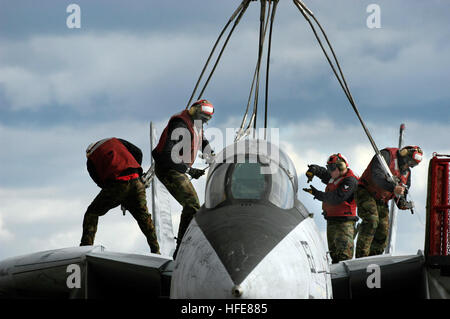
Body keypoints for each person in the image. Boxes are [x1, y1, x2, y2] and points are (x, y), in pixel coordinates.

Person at [152, 99, 215, 258]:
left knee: (192, 205)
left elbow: (202, 139)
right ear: (193, 110)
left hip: (178, 168)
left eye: (205, 120)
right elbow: (167, 154)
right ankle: (181, 250)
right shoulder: (179, 124)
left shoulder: (196, 122)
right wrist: (189, 169)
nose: (202, 121)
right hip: (168, 168)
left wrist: (211, 155)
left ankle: (184, 247)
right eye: (200, 116)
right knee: (192, 204)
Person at [80, 137, 160, 254]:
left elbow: (100, 182)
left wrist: (118, 195)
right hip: (137, 182)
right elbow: (138, 152)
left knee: (92, 212)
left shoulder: (91, 160)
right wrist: (137, 172)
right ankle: (156, 250)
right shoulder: (116, 141)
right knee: (143, 217)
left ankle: (85, 247)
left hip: (117, 184)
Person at [355, 145, 423, 257]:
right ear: (403, 155)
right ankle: (361, 257)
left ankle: (374, 258)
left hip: (382, 199)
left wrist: (403, 204)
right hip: (366, 191)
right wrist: (393, 188)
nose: (408, 166)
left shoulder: (406, 174)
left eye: (412, 165)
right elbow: (376, 176)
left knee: (383, 229)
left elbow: (401, 196)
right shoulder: (386, 156)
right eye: (408, 162)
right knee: (372, 220)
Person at [303, 153, 359, 263]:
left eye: (332, 168)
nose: (330, 171)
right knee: (334, 257)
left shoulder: (350, 181)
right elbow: (323, 173)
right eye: (329, 168)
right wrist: (314, 169)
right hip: (332, 221)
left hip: (344, 224)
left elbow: (336, 198)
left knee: (344, 258)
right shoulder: (335, 177)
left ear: (342, 167)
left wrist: (316, 193)